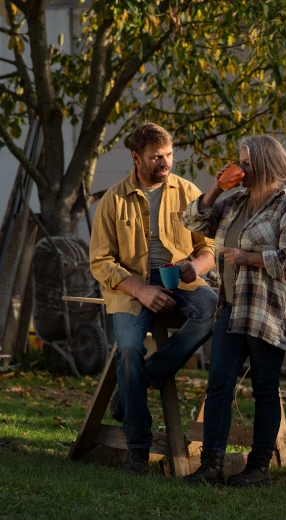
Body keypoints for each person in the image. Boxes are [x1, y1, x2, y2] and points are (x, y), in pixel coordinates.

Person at [181, 135, 286, 487]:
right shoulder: (236, 201)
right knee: (218, 385)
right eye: (239, 161)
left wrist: (249, 259)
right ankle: (210, 463)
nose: (240, 169)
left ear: (267, 165)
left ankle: (258, 467)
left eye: (246, 163)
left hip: (267, 309)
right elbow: (194, 221)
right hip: (231, 307)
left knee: (265, 387)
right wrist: (214, 188)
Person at [90, 121, 218, 474]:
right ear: (136, 158)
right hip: (131, 288)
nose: (165, 163)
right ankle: (137, 447)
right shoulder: (112, 201)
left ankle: (146, 378)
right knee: (129, 350)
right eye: (156, 157)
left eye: (168, 155)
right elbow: (100, 261)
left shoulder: (188, 192)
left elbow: (209, 247)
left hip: (181, 281)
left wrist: (197, 266)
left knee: (211, 308)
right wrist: (142, 290)